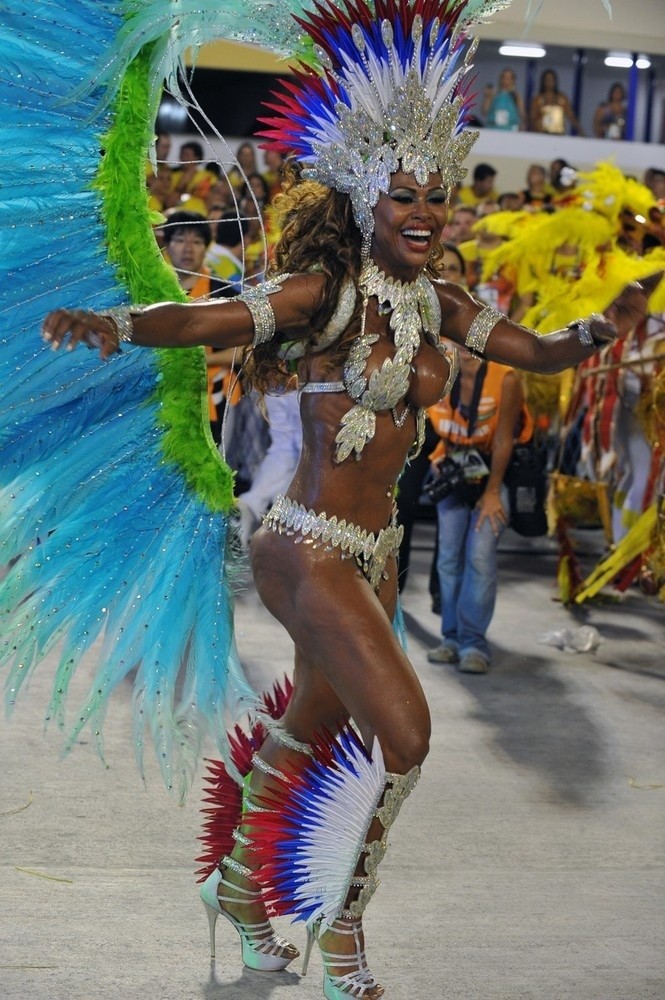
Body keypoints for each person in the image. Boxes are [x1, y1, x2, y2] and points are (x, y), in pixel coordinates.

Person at [37, 3, 651, 999]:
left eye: (436, 196)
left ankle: (239, 895)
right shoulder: (315, 293)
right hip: (305, 544)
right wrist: (113, 323)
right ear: (366, 196)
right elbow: (203, 318)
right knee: (404, 733)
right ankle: (342, 928)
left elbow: (535, 353)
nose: (423, 211)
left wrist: (602, 323)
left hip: (373, 552)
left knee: (310, 729)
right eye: (403, 194)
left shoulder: (441, 303)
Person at [426, 348, 533, 673]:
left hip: (493, 472)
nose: (466, 351)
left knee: (480, 556)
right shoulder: (438, 373)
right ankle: (452, 638)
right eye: (458, 342)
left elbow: (504, 440)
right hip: (452, 469)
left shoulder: (506, 378)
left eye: (473, 344)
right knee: (447, 558)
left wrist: (491, 493)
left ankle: (474, 643)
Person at [530, 69, 584, 136]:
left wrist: (579, 129)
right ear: (543, 81)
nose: (549, 82)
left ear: (555, 81)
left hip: (559, 134)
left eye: (552, 79)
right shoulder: (537, 99)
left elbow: (570, 115)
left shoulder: (562, 98)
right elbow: (532, 117)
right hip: (542, 134)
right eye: (547, 79)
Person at [481, 67, 526, 132]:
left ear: (513, 80)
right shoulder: (494, 94)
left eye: (508, 78)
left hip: (511, 130)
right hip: (493, 129)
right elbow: (484, 111)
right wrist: (488, 97)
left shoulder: (516, 96)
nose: (505, 80)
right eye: (503, 78)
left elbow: (522, 115)